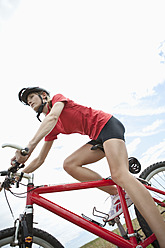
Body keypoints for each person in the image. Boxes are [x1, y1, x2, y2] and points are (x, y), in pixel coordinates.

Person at [12, 87, 165, 247]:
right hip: (97, 138)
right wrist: (19, 173)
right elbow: (40, 159)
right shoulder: (51, 127)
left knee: (120, 174)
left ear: (43, 95)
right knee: (69, 164)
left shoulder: (57, 100)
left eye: (30, 97)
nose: (29, 101)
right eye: (26, 101)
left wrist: (28, 147)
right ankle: (117, 194)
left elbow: (51, 118)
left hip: (106, 125)